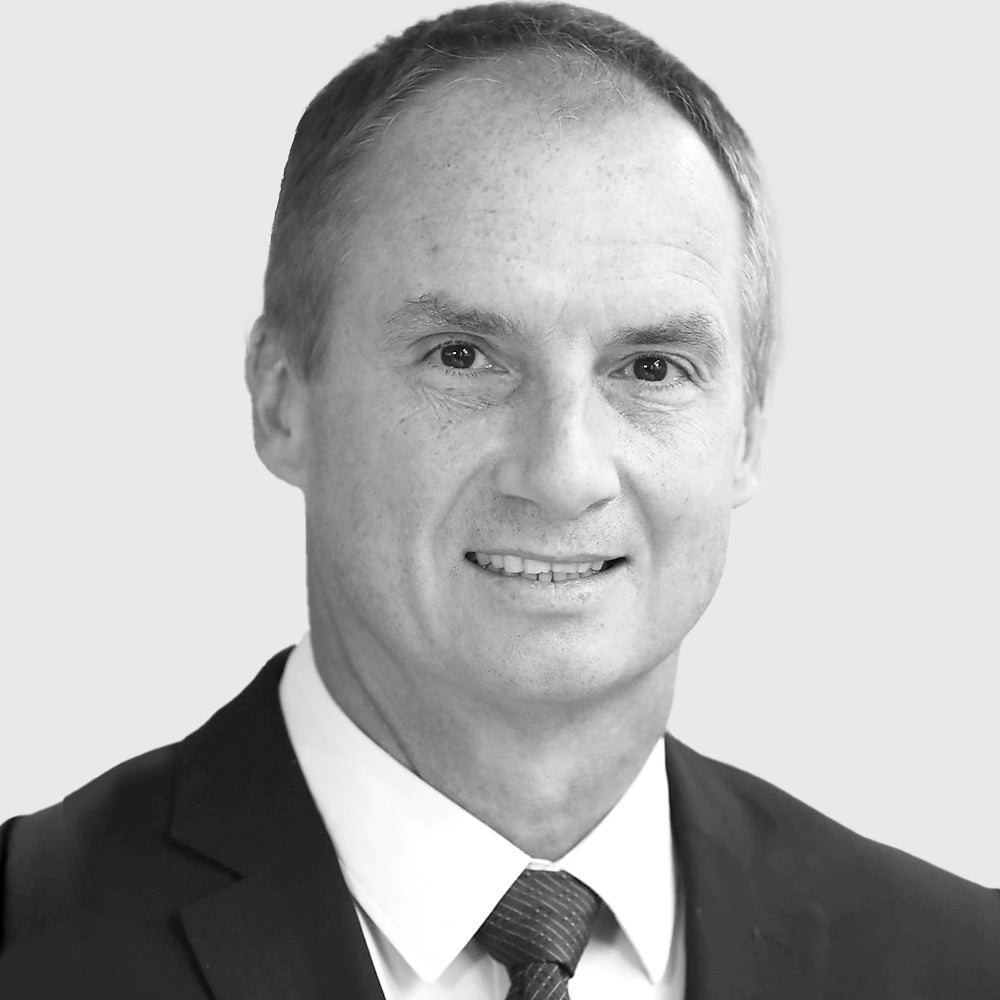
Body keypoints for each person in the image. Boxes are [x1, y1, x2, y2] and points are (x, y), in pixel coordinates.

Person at [1, 3, 997, 997]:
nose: (564, 472)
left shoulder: (959, 963)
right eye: (462, 356)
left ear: (747, 433)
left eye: (651, 367)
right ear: (280, 398)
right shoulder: (27, 942)